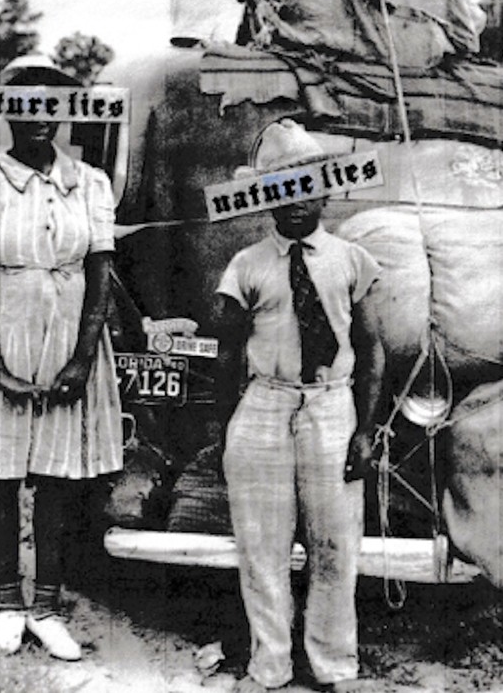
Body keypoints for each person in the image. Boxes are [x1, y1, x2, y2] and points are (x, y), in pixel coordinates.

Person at [0, 61, 123, 661]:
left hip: (72, 338)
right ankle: (9, 600)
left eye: (51, 107)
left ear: (65, 112)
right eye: (25, 108)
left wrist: (82, 359)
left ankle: (46, 606)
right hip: (7, 332)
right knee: (2, 474)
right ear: (7, 113)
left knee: (56, 476)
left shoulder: (92, 182)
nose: (40, 119)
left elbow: (101, 272)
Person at [212, 119, 382, 693]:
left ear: (326, 191)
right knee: (262, 547)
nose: (295, 201)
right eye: (281, 188)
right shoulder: (247, 265)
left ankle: (334, 665)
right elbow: (226, 353)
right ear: (265, 196)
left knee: (335, 545)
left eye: (306, 186)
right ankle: (270, 667)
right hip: (264, 406)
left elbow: (370, 348)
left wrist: (365, 430)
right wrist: (226, 430)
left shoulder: (351, 260)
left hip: (332, 408)